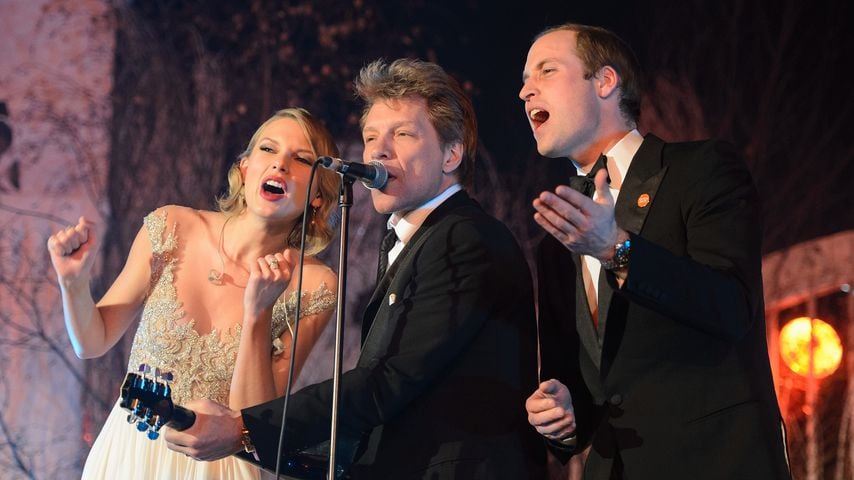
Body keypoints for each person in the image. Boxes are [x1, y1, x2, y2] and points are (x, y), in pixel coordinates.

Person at [164, 58, 546, 479]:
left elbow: (390, 380)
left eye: (402, 134)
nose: (378, 150)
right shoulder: (411, 240)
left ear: (451, 154)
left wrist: (243, 428)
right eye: (370, 136)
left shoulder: (464, 239)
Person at [519, 23, 791, 479]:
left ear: (605, 82)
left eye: (546, 71)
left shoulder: (702, 169)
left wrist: (615, 249)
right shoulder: (556, 241)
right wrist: (561, 418)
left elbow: (730, 307)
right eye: (523, 82)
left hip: (716, 463)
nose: (526, 91)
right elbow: (584, 397)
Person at [47, 107, 341, 479]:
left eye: (301, 159)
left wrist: (257, 313)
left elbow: (256, 424)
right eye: (268, 150)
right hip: (127, 457)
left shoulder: (315, 285)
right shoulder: (173, 227)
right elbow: (92, 342)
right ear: (245, 168)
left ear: (318, 195)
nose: (280, 165)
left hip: (219, 470)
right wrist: (73, 283)